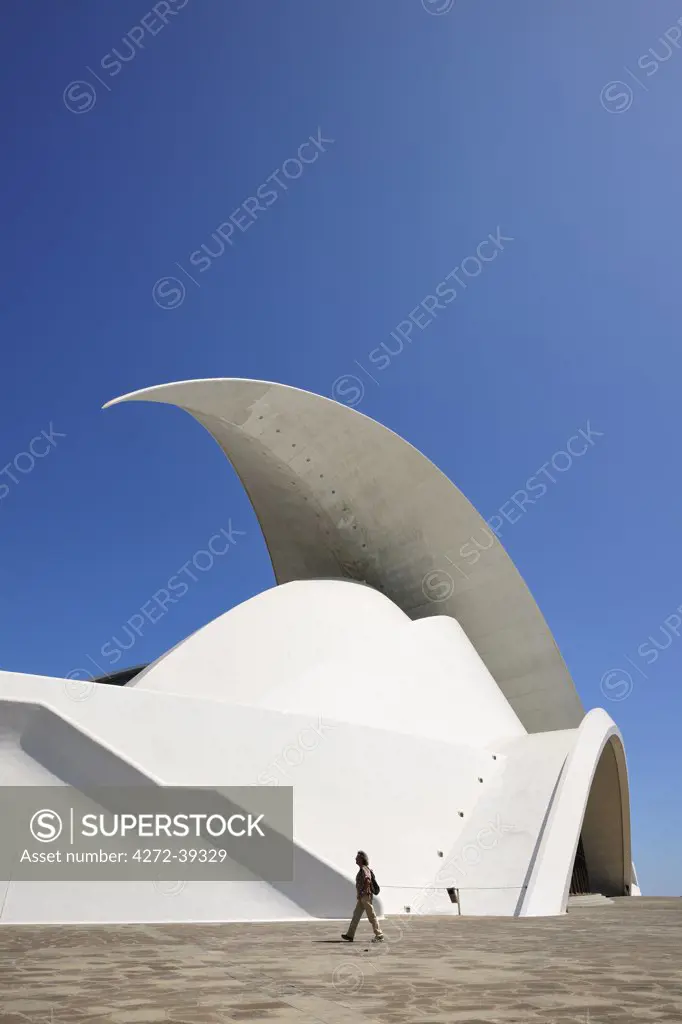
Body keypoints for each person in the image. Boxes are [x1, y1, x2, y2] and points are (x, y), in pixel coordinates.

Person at [341, 850, 384, 942]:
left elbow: (368, 880)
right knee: (356, 916)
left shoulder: (365, 869)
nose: (355, 859)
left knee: (371, 916)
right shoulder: (361, 869)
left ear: (361, 859)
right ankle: (350, 935)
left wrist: (361, 892)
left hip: (365, 896)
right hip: (362, 897)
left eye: (357, 857)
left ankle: (379, 935)